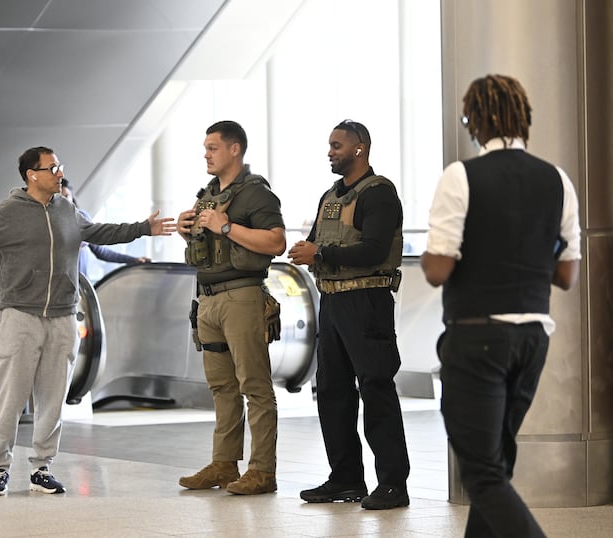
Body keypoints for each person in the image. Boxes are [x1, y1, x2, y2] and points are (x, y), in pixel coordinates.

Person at [0, 146, 175, 497]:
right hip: (19, 316)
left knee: (53, 397)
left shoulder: (67, 209)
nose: (59, 172)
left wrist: (143, 228)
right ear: (32, 174)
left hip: (62, 317)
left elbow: (99, 233)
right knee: (10, 397)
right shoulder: (8, 213)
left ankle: (42, 468)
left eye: (59, 166)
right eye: (52, 167)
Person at [421, 74, 581, 537]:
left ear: (474, 120)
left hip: (477, 338)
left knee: (482, 473)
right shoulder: (557, 180)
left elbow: (436, 270)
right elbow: (567, 276)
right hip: (533, 339)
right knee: (496, 466)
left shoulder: (461, 176)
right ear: (523, 118)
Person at [288, 119, 410, 510]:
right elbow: (318, 241)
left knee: (376, 388)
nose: (330, 152)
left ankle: (393, 484)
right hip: (333, 302)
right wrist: (307, 248)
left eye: (337, 145)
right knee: (333, 392)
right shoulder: (330, 197)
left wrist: (321, 255)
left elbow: (374, 250)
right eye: (329, 145)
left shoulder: (379, 194)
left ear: (360, 148)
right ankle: (345, 479)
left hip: (367, 302)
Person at [177, 120, 286, 495]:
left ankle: (262, 470)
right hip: (207, 298)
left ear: (234, 149)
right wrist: (186, 227)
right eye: (205, 148)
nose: (206, 154)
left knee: (255, 385)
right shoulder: (207, 194)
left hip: (242, 295)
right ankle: (224, 463)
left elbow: (276, 242)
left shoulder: (256, 194)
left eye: (212, 148)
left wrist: (225, 228)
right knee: (222, 386)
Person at [59, 179, 150, 276]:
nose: (64, 201)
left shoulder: (82, 218)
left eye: (66, 196)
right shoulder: (48, 223)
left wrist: (133, 260)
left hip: (81, 284)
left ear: (72, 197)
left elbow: (101, 251)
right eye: (59, 197)